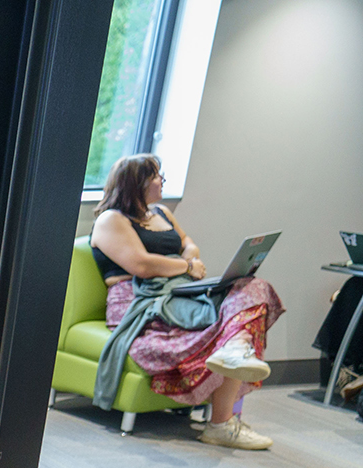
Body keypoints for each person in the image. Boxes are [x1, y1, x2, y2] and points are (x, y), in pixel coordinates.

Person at [88, 154, 285, 450]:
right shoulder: (111, 219)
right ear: (136, 183)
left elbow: (188, 243)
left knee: (252, 288)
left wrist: (189, 257)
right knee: (229, 327)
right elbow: (141, 265)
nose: (162, 181)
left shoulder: (161, 213)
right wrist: (187, 267)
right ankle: (222, 422)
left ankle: (234, 352)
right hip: (139, 298)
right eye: (156, 175)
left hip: (180, 291)